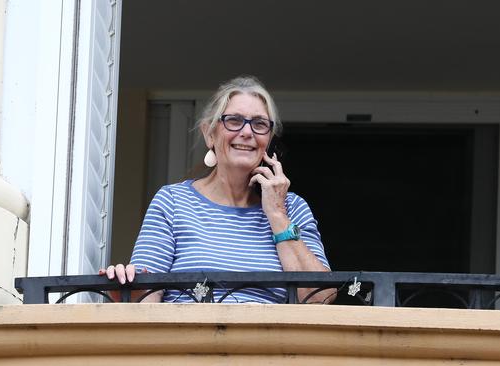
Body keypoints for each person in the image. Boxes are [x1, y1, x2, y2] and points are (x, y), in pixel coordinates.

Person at [100, 75, 335, 303]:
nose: (247, 132)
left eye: (259, 124)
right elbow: (147, 297)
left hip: (265, 341)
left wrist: (277, 215)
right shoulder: (172, 201)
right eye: (233, 120)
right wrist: (127, 288)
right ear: (209, 133)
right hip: (188, 339)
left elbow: (321, 299)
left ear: (268, 139)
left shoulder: (291, 207)